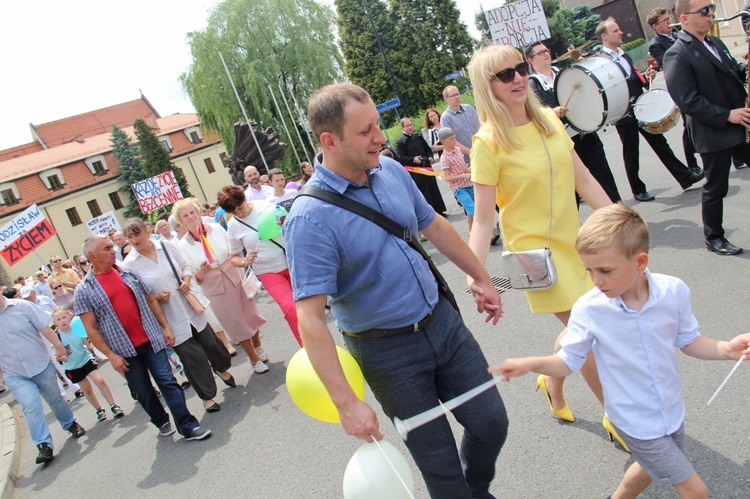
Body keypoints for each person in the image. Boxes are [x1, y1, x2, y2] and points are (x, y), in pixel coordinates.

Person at [285, 83, 508, 498]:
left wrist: (481, 276)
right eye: (366, 130)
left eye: (377, 125)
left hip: (442, 323)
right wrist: (345, 402)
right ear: (329, 141)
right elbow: (310, 317)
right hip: (388, 355)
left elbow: (436, 227)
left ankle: (474, 491)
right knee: (439, 466)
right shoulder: (308, 219)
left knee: (491, 422)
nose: (379, 137)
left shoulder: (388, 170)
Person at [493, 203, 750, 499]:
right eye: (588, 270)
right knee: (695, 489)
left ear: (640, 261)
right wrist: (530, 364)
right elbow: (567, 362)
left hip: (670, 410)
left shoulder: (673, 291)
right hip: (634, 420)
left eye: (605, 270)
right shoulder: (590, 309)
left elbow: (689, 340)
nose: (596, 280)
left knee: (647, 469)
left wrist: (725, 349)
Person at [467, 44, 613, 431]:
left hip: (574, 243)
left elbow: (583, 179)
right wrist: (475, 273)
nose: (517, 78)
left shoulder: (549, 119)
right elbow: (483, 219)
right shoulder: (487, 142)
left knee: (579, 330)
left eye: (519, 69)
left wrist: (620, 221)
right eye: (504, 74)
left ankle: (552, 384)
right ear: (488, 86)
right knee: (591, 332)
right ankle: (620, 416)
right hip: (534, 256)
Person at [74, 235, 211, 441]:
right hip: (123, 350)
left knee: (168, 382)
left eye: (112, 247)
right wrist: (111, 355)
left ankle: (188, 425)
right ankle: (161, 420)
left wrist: (165, 327)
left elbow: (151, 300)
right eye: (107, 248)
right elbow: (91, 329)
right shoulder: (84, 290)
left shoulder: (127, 272)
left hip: (151, 340)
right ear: (92, 256)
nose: (113, 251)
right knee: (144, 392)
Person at [122, 218, 235, 412]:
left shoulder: (165, 246)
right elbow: (136, 297)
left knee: (210, 344)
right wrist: (156, 298)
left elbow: (186, 265)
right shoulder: (130, 264)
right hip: (169, 317)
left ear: (147, 231)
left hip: (190, 306)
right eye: (129, 237)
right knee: (193, 357)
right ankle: (207, 397)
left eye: (137, 234)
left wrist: (186, 280)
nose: (134, 240)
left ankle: (220, 367)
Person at [664, 0, 750, 256]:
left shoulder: (715, 42)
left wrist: (744, 67)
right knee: (716, 188)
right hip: (714, 131)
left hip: (738, 124)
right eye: (704, 11)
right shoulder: (677, 53)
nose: (710, 14)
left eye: (711, 8)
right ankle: (714, 237)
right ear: (685, 18)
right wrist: (727, 116)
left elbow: (732, 72)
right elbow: (687, 100)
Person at [596, 18, 704, 202]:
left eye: (619, 29)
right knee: (632, 152)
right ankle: (637, 190)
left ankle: (684, 177)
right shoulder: (601, 61)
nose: (621, 32)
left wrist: (646, 77)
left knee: (660, 143)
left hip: (641, 106)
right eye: (615, 31)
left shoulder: (623, 54)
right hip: (624, 112)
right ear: (604, 36)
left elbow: (633, 79)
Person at [173, 198, 270, 373]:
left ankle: (257, 345)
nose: (190, 217)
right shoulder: (181, 246)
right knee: (235, 323)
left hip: (233, 274)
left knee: (250, 315)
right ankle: (254, 360)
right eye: (185, 215)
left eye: (192, 212)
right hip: (214, 286)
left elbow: (233, 249)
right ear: (181, 222)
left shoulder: (216, 229)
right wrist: (201, 272)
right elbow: (189, 276)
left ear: (199, 213)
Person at [526, 41, 622, 203]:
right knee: (571, 195)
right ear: (531, 60)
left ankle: (620, 216)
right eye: (540, 53)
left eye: (546, 50)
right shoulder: (532, 85)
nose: (546, 54)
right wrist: (551, 112)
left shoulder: (566, 73)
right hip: (562, 143)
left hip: (586, 135)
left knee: (605, 180)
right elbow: (534, 114)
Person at [0, 292, 86, 464]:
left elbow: (44, 328)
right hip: (15, 373)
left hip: (40, 363)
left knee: (55, 399)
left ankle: (70, 424)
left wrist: (59, 347)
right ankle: (44, 445)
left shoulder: (22, 306)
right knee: (30, 405)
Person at [218, 185, 302, 347]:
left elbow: (290, 225)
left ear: (245, 199)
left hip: (291, 262)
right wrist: (245, 261)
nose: (238, 213)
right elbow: (233, 258)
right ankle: (308, 350)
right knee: (290, 308)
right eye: (233, 212)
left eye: (239, 208)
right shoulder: (234, 225)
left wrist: (284, 222)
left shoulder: (265, 207)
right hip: (267, 271)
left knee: (308, 303)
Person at [647, 8, 706, 177]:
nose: (669, 22)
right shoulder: (656, 44)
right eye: (665, 21)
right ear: (655, 26)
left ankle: (736, 156)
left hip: (699, 81)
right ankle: (692, 163)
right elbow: (670, 63)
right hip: (682, 87)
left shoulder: (679, 33)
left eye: (668, 19)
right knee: (689, 125)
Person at [52, 306, 125, 422]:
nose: (62, 321)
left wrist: (97, 351)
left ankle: (113, 405)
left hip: (86, 359)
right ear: (55, 322)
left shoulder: (77, 329)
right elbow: (60, 357)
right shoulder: (57, 337)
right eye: (58, 319)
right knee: (87, 389)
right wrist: (63, 358)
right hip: (72, 367)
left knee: (99, 380)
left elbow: (88, 343)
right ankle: (99, 409)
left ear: (70, 316)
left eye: (64, 317)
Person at [395, 117, 448, 216]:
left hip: (426, 166)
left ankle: (440, 210)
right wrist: (413, 159)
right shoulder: (400, 141)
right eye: (407, 126)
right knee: (424, 191)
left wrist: (430, 156)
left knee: (433, 188)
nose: (410, 127)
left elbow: (427, 149)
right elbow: (400, 157)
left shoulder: (418, 136)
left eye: (411, 125)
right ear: (402, 128)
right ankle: (432, 214)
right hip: (415, 170)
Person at [438, 127, 475, 230]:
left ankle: (471, 231)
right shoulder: (444, 158)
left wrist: (469, 168)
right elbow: (447, 177)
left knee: (470, 210)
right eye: (451, 139)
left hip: (469, 184)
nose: (454, 141)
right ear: (443, 141)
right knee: (474, 210)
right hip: (459, 189)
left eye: (454, 138)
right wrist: (463, 175)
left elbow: (463, 166)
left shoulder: (458, 150)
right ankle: (484, 234)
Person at [440, 84, 479, 165]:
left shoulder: (469, 108)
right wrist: (471, 152)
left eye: (457, 94)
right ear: (446, 99)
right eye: (453, 95)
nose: (456, 97)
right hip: (466, 160)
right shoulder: (446, 118)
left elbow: (481, 125)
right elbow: (452, 141)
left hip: (483, 151)